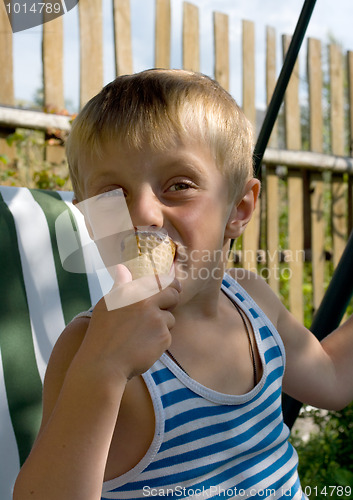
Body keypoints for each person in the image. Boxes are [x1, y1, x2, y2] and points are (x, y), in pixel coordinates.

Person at [13, 69, 353, 500]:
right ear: (89, 219)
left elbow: (334, 381)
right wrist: (103, 368)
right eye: (112, 195)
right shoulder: (88, 347)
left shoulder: (252, 301)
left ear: (239, 208)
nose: (145, 215)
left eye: (179, 186)